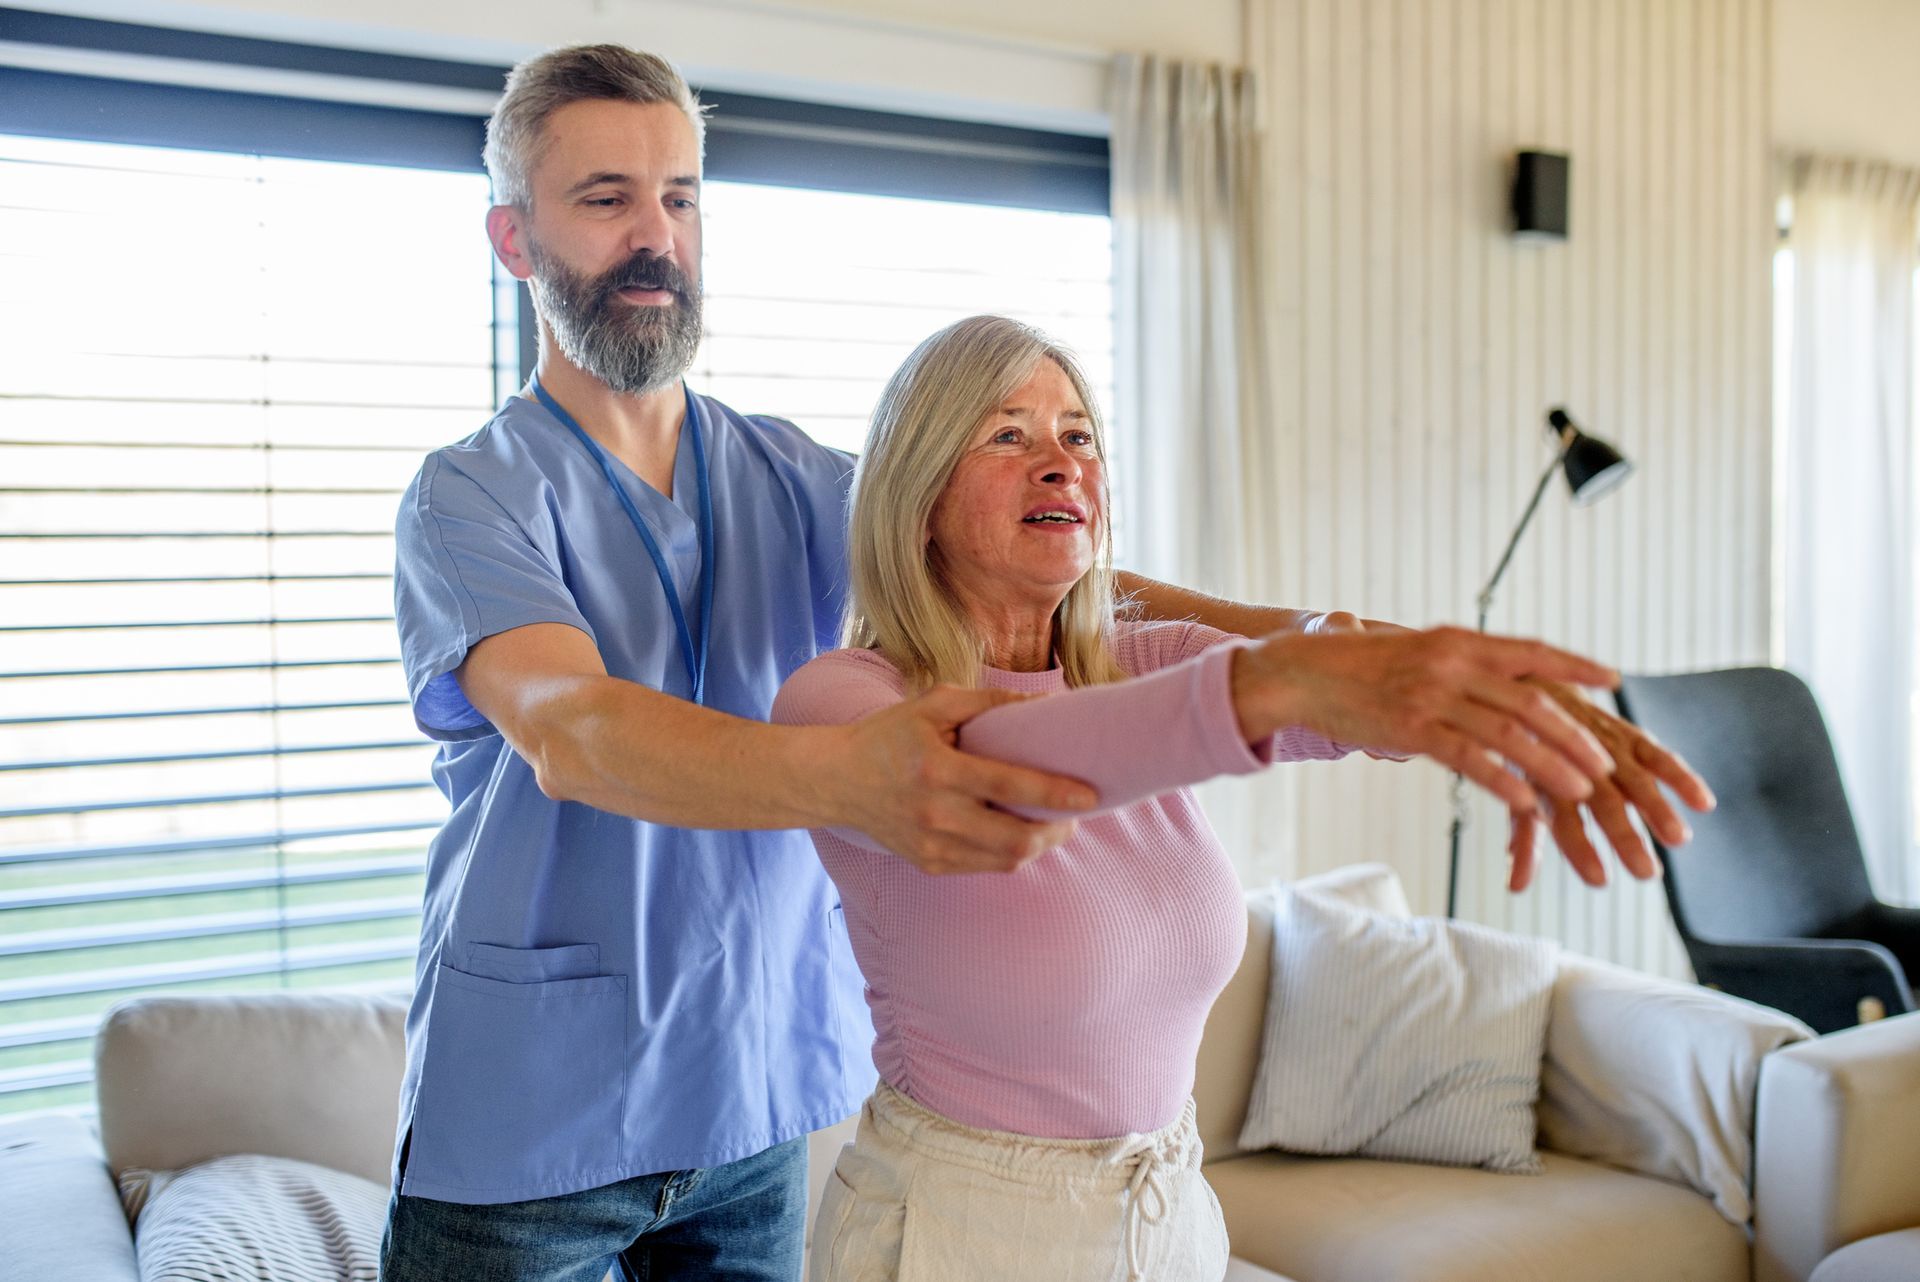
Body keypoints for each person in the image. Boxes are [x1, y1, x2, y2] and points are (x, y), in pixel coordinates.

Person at [384, 42, 1711, 1282]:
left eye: (679, 196)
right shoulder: (472, 498)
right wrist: (851, 772)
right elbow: (574, 726)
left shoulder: (783, 475)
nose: (655, 237)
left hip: (745, 1098)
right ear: (515, 236)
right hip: (531, 1118)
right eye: (607, 198)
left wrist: (1320, 645)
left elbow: (1019, 553)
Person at [771, 315, 1713, 1281]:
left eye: (1079, 435)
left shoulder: (1139, 664)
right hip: (956, 1232)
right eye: (1007, 434)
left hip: (1172, 1211)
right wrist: (1278, 683)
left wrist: (1490, 709)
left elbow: (1343, 693)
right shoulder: (845, 703)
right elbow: (986, 771)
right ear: (917, 493)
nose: (1059, 464)